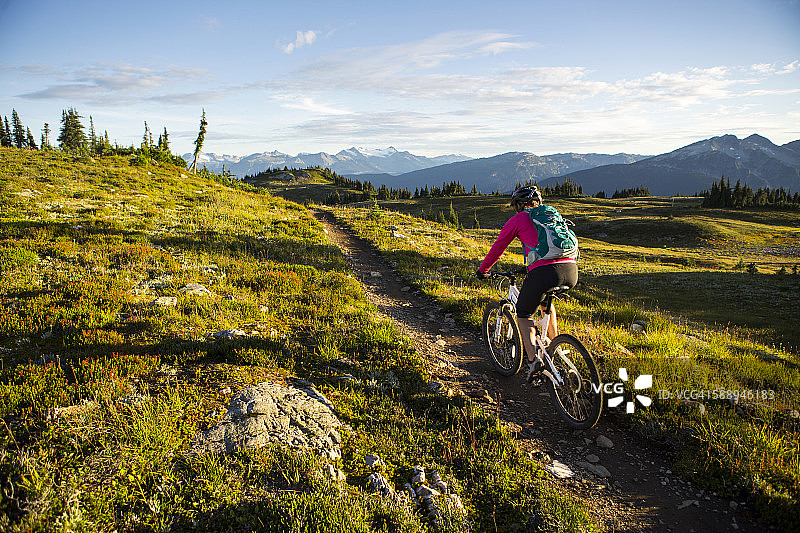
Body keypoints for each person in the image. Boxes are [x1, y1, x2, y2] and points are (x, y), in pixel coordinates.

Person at [475, 186, 578, 381]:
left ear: (518, 205)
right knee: (546, 303)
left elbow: (498, 247)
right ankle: (556, 347)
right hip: (571, 270)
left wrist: (483, 270)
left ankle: (533, 362)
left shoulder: (520, 219)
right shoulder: (550, 216)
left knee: (523, 313)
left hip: (545, 272)